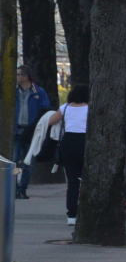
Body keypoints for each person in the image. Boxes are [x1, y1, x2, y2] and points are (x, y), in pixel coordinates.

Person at [46, 84, 89, 226]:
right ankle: (87, 211)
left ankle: (71, 215)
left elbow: (51, 121)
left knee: (72, 182)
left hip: (68, 143)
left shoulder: (66, 108)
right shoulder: (90, 108)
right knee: (88, 179)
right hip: (85, 143)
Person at [14, 65, 52, 199]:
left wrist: (37, 125)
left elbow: (45, 108)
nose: (17, 77)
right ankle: (14, 188)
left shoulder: (38, 92)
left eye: (19, 74)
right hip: (16, 130)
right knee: (14, 161)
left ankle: (22, 188)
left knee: (28, 161)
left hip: (32, 132)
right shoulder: (14, 91)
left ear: (26, 76)